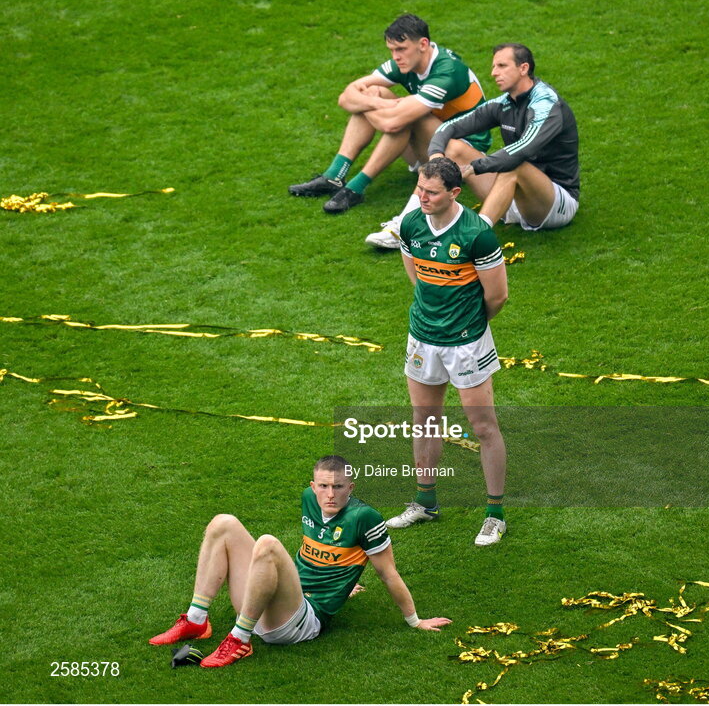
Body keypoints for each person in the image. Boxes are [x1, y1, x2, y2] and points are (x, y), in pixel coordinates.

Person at [148, 455, 451, 668]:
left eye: (338, 487)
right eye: (323, 486)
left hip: (301, 621)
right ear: (313, 484)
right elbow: (325, 547)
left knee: (267, 544)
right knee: (222, 523)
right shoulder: (309, 498)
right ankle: (197, 620)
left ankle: (240, 640)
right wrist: (344, 578)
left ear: (351, 487)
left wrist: (415, 621)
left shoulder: (365, 518)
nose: (329, 494)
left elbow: (388, 574)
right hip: (271, 602)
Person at [386, 158, 509, 547]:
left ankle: (495, 514)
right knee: (424, 420)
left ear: (454, 193)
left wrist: (468, 323)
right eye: (420, 189)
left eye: (431, 192)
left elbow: (498, 295)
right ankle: (425, 501)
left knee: (483, 427)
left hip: (466, 342)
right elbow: (417, 276)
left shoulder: (477, 234)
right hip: (422, 337)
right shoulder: (411, 223)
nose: (422, 197)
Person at [289, 13, 491, 215]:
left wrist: (375, 108)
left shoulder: (448, 71)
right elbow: (346, 97)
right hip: (432, 145)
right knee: (374, 93)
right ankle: (334, 176)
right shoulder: (405, 62)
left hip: (462, 157)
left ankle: (355, 188)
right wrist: (375, 102)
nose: (395, 57)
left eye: (401, 49)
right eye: (392, 50)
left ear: (423, 44)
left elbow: (392, 124)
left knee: (408, 118)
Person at [426, 44, 580, 232]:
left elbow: (522, 150)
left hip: (556, 203)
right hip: (516, 196)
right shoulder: (504, 103)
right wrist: (435, 157)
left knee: (514, 165)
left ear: (523, 68)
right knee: (454, 148)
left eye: (501, 66)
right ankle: (425, 221)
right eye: (493, 67)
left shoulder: (546, 104)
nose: (493, 73)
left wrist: (475, 167)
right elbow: (449, 127)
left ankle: (476, 234)